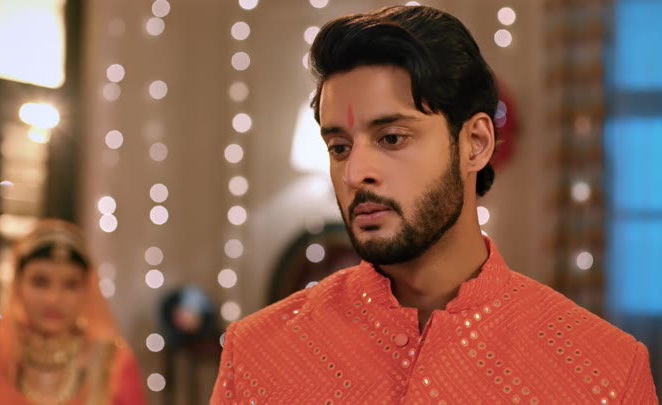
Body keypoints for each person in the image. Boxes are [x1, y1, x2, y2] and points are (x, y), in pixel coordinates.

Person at [211, 5, 659, 404]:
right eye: (340, 147)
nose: (355, 173)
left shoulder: (605, 373)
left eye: (391, 138)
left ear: (475, 143)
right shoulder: (255, 356)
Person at [0, 219, 147, 405]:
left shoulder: (113, 365)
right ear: (18, 284)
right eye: (40, 282)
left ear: (86, 290)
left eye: (71, 285)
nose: (54, 299)